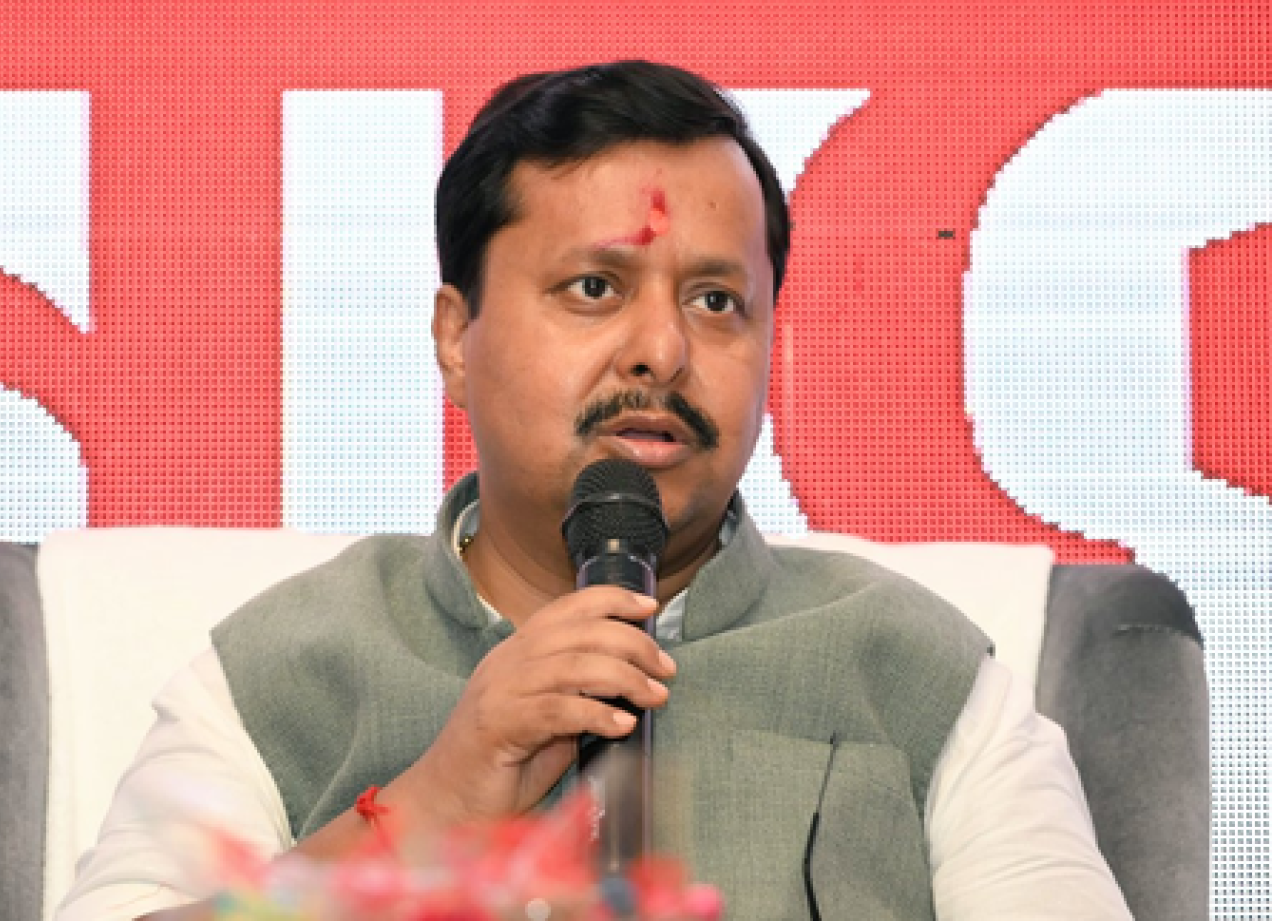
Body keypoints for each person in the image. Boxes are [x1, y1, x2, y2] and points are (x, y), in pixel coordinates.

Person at [58, 61, 1132, 920]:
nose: (661, 349)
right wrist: (430, 809)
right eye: (594, 287)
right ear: (456, 337)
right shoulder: (275, 673)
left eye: (715, 301)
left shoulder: (918, 674)